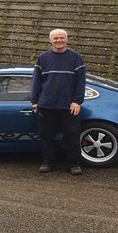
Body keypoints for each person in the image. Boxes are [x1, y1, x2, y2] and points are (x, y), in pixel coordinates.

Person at [30, 29, 86, 175]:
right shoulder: (43, 58)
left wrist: (77, 101)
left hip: (69, 106)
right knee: (47, 136)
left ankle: (74, 164)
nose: (59, 40)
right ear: (50, 41)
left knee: (72, 135)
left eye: (61, 38)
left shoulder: (75, 57)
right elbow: (36, 81)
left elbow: (80, 82)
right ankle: (48, 162)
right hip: (46, 104)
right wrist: (34, 100)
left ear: (67, 40)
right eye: (55, 38)